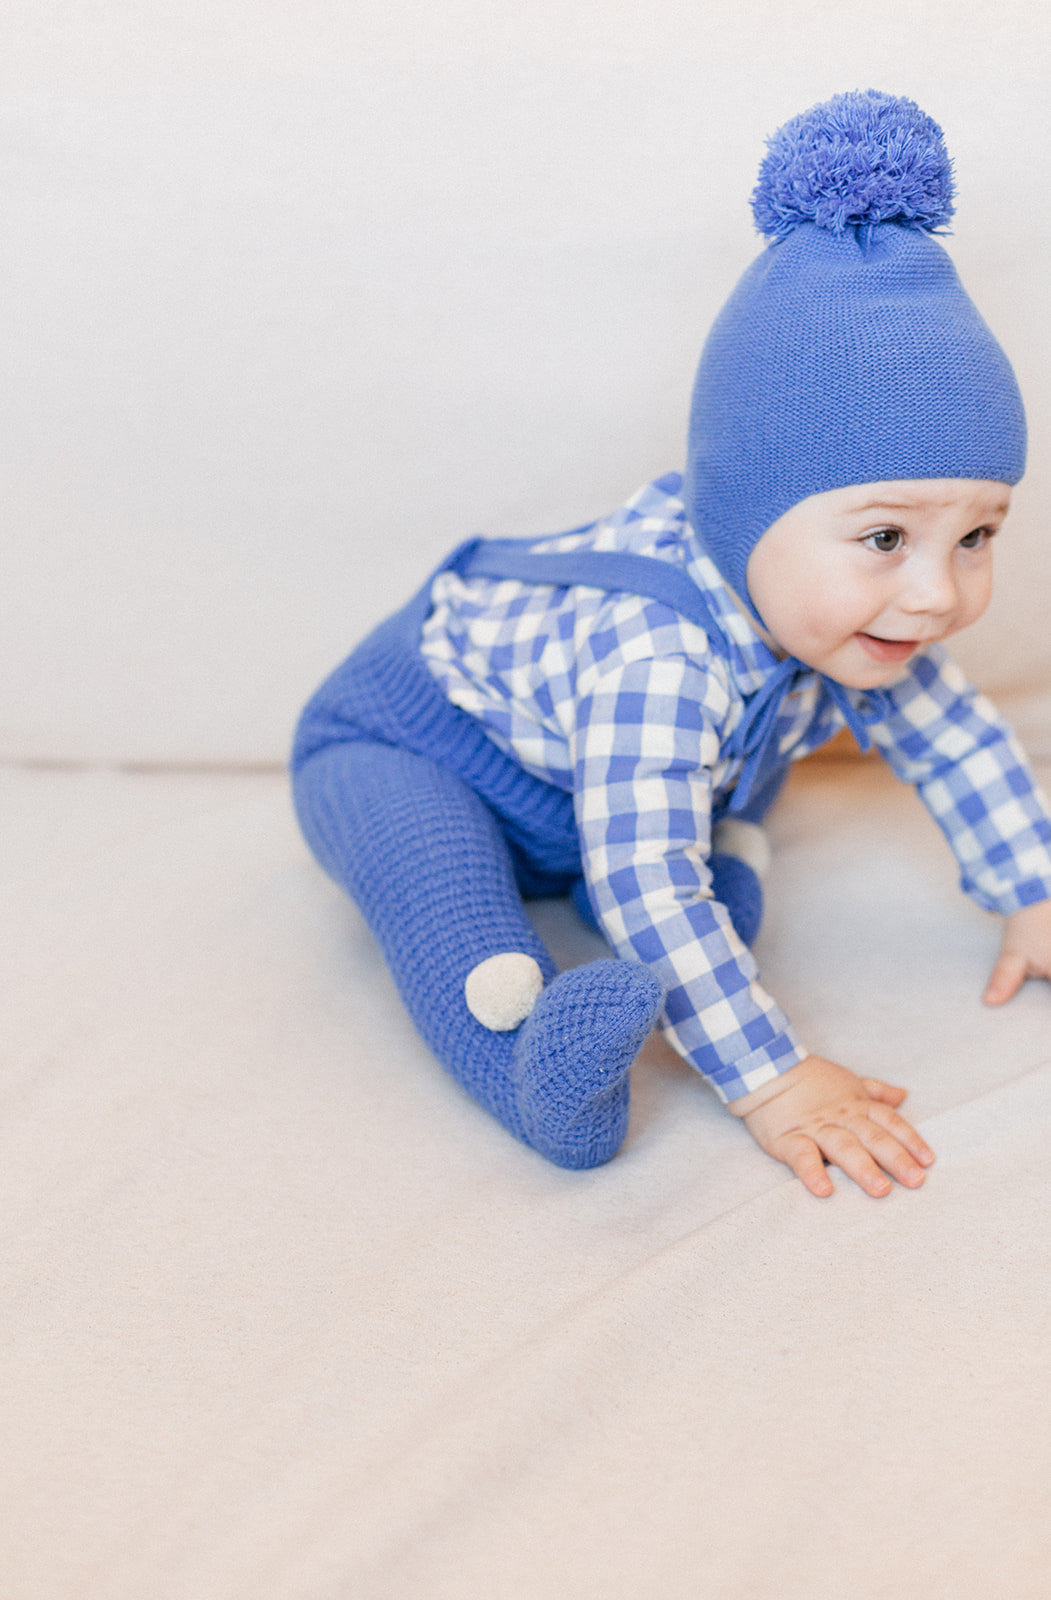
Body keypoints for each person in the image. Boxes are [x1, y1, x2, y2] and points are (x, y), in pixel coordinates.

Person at [291, 89, 1051, 1194]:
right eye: (884, 534)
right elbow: (647, 875)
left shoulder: (853, 614)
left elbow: (956, 740)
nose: (936, 593)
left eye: (978, 533)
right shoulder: (658, 653)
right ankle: (536, 1076)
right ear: (748, 507)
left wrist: (1032, 891)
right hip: (407, 745)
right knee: (450, 892)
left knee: (724, 846)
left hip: (594, 784)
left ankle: (677, 968)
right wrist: (774, 1079)